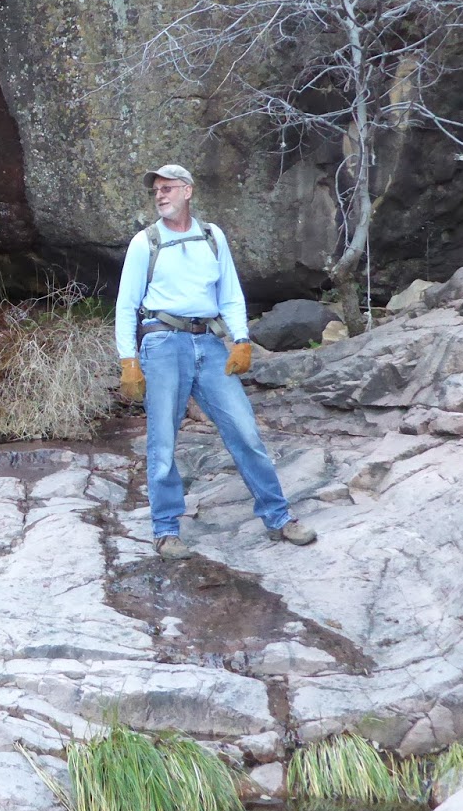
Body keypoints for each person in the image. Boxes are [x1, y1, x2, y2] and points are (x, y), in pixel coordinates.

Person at [115, 164, 316, 560]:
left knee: (245, 431)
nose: (160, 195)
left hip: (208, 343)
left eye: (168, 188)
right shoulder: (145, 242)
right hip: (162, 344)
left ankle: (279, 517)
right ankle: (166, 530)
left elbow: (230, 294)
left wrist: (241, 339)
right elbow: (126, 305)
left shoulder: (212, 236)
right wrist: (128, 360)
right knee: (163, 442)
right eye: (156, 190)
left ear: (188, 191)